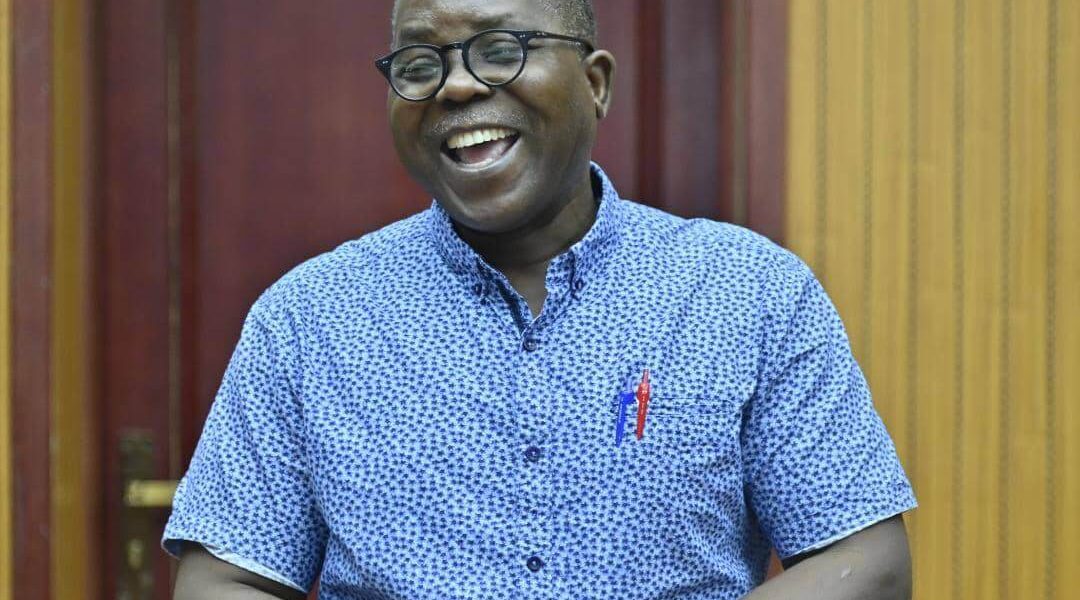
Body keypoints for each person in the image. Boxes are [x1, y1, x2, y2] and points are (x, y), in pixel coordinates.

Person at [165, 0, 917, 598]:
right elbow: (224, 575)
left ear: (596, 83)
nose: (456, 87)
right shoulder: (310, 319)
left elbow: (865, 560)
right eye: (420, 64)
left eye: (500, 50)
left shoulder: (746, 291)